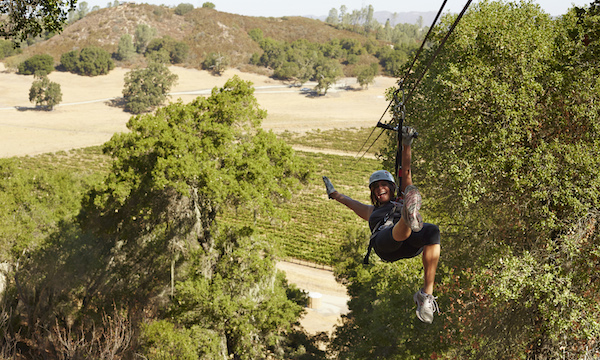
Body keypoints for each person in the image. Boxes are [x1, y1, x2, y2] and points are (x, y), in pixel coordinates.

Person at [322, 126, 441, 324]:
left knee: (432, 231)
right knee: (401, 225)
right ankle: (408, 217)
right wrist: (333, 194)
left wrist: (406, 145)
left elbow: (406, 169)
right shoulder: (371, 211)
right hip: (385, 243)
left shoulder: (401, 197)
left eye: (383, 185)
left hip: (409, 243)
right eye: (375, 187)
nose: (379, 189)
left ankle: (425, 296)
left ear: (392, 188)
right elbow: (348, 202)